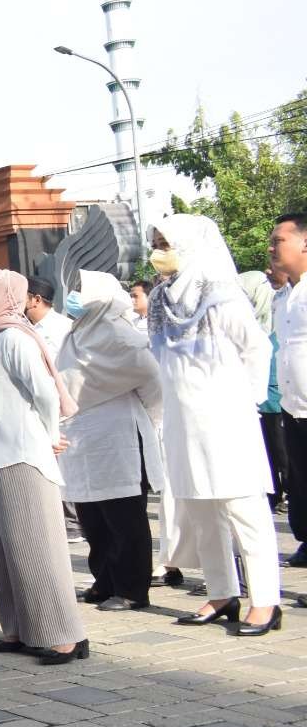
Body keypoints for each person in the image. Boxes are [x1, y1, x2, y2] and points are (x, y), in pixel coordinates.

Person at [150, 215, 282, 635]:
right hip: (182, 418)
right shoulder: (160, 299)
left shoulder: (222, 294)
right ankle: (222, 593)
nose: (158, 251)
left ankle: (265, 601)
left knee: (243, 509)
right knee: (200, 509)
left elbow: (256, 348)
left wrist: (242, 400)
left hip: (226, 418)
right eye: (155, 242)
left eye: (165, 242)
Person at [0, 268, 87, 665]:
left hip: (21, 454)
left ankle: (64, 635)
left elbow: (45, 393)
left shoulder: (14, 337)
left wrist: (49, 437)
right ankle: (17, 629)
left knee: (36, 548)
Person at [56, 271, 164, 611]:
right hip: (82, 434)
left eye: (81, 291)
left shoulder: (121, 336)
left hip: (119, 435)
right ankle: (104, 580)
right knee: (93, 515)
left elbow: (152, 383)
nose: (75, 297)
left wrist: (150, 420)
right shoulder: (76, 332)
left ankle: (132, 589)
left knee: (124, 517)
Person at [272, 214, 307, 566]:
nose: (271, 247)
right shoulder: (283, 296)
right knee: (299, 479)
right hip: (292, 403)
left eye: (279, 240)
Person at [238, 273, 288, 515]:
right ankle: (274, 494)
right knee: (266, 451)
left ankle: (287, 493)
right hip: (257, 403)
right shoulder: (248, 325)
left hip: (279, 401)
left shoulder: (281, 319)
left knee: (282, 452)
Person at [24, 276, 71, 358]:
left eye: (22, 297)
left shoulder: (66, 328)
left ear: (37, 300)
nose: (18, 302)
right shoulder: (23, 326)